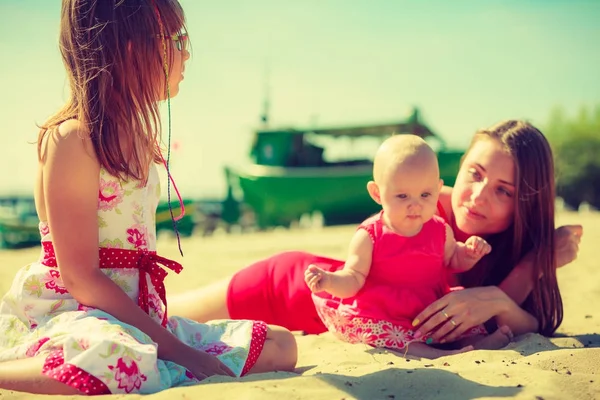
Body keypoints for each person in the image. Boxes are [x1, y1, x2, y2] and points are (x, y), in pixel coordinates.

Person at [0, 0, 296, 395]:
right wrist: (178, 351)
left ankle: (157, 356)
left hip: (136, 317)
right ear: (130, 48)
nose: (187, 51)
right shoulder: (73, 139)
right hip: (76, 312)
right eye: (175, 39)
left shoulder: (138, 140)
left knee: (280, 345)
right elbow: (79, 278)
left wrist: (167, 340)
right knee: (122, 359)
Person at [169, 120, 583, 346]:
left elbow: (526, 323)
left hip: (326, 325)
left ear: (525, 203)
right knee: (159, 312)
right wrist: (518, 280)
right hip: (291, 287)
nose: (476, 196)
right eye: (473, 174)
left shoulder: (515, 249)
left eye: (503, 191)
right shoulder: (424, 203)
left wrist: (531, 265)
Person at [304, 134, 518, 358]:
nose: (415, 205)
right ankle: (433, 354)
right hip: (383, 312)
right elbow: (353, 278)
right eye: (402, 195)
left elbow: (452, 259)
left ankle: (477, 342)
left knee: (457, 327)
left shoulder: (439, 229)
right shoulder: (370, 235)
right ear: (377, 193)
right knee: (394, 338)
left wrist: (469, 253)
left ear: (438, 188)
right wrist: (329, 281)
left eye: (425, 194)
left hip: (425, 309)